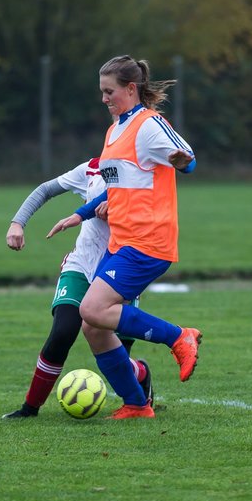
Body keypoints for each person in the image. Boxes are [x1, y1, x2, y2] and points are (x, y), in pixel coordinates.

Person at [46, 55, 200, 420]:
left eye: (109, 91)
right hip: (122, 242)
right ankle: (136, 404)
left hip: (148, 240)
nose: (104, 98)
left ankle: (179, 337)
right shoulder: (115, 130)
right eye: (101, 91)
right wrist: (80, 214)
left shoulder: (149, 124)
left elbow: (189, 159)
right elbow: (115, 188)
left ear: (131, 89)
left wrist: (180, 160)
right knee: (93, 326)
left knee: (92, 309)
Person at [0, 157, 153, 419]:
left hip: (122, 269)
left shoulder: (145, 173)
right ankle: (29, 409)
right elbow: (45, 189)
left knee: (115, 355)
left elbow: (151, 217)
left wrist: (118, 211)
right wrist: (17, 223)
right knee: (63, 332)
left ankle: (140, 373)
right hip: (81, 264)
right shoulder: (93, 167)